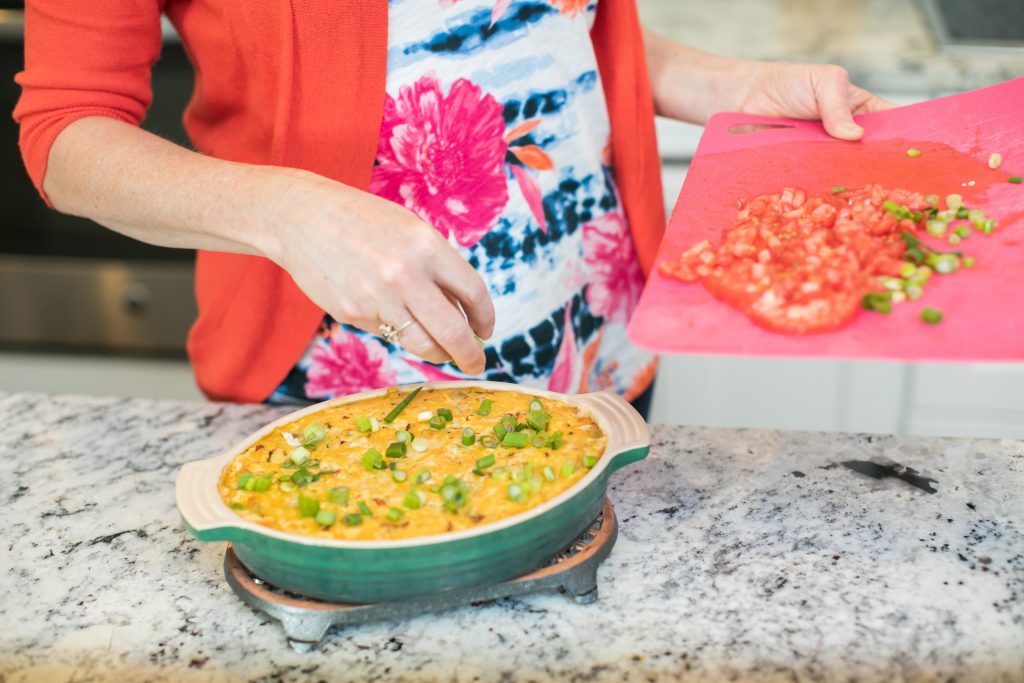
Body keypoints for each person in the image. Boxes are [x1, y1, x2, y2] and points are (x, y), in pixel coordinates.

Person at [14, 0, 890, 415]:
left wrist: (738, 86)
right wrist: (292, 212)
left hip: (595, 347)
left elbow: (549, 25)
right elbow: (66, 133)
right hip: (347, 373)